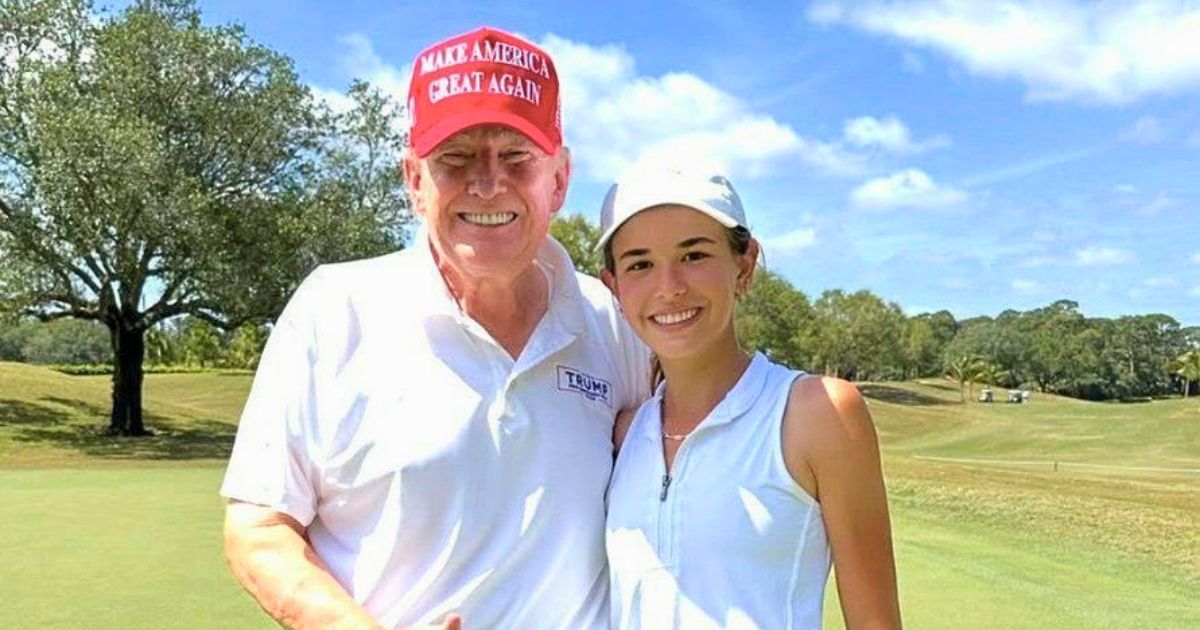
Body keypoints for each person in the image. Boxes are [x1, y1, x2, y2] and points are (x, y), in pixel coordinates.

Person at [220, 27, 648, 629]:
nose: (488, 181)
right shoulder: (333, 308)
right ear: (415, 181)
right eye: (455, 158)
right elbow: (259, 527)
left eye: (517, 156)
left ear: (559, 179)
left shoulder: (611, 318)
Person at [598, 168, 902, 629]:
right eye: (640, 263)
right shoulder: (624, 432)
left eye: (694, 255)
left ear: (744, 264)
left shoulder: (818, 412)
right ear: (613, 286)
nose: (669, 286)